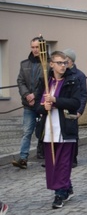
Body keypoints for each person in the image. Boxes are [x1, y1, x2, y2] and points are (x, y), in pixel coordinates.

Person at [35, 51, 82, 209]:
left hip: (65, 127)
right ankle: (66, 186)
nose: (63, 66)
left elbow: (75, 102)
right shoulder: (45, 81)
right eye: (60, 63)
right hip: (48, 127)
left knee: (63, 162)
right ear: (51, 64)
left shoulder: (72, 80)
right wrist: (44, 107)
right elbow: (36, 105)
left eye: (65, 63)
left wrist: (56, 101)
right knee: (52, 162)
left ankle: (59, 192)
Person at [13, 36, 43, 169]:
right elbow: (20, 81)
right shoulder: (24, 64)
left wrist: (35, 96)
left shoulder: (48, 63)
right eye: (33, 47)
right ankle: (23, 158)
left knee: (43, 131)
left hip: (41, 103)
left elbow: (45, 84)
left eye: (37, 47)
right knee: (27, 132)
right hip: (28, 104)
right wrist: (27, 96)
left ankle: (45, 155)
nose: (35, 50)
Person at [62, 49, 87, 167]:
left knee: (72, 133)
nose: (63, 63)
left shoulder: (79, 75)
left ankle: (73, 158)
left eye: (65, 60)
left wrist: (80, 110)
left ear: (71, 61)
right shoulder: (60, 74)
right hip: (61, 106)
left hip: (73, 108)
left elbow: (83, 95)